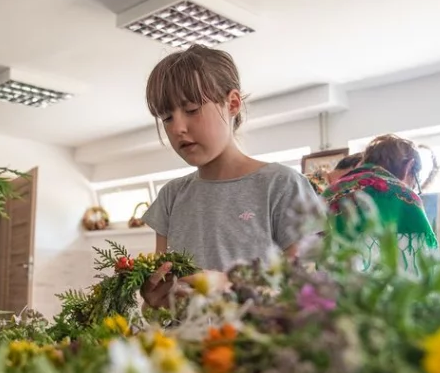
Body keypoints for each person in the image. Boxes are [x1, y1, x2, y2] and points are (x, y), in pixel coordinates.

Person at [139, 45, 324, 307]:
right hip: (182, 344)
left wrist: (232, 285)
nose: (178, 127)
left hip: (255, 344)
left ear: (233, 103)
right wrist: (155, 300)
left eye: (191, 109)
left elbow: (306, 290)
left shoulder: (281, 185)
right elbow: (159, 299)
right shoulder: (171, 196)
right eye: (167, 117)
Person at [323, 134, 437, 273]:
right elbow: (420, 265)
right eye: (415, 181)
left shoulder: (330, 191)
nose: (413, 187)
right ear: (409, 166)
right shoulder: (402, 194)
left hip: (324, 285)